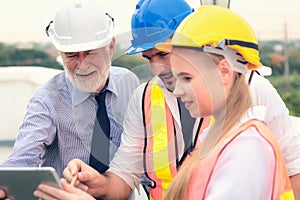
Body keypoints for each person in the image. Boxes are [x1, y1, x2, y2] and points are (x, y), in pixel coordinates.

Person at [33, 1, 300, 200]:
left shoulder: (249, 123)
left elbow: (293, 169)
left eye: (164, 54)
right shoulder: (145, 99)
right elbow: (124, 174)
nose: (159, 68)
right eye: (150, 58)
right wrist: (98, 184)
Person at [0, 0, 139, 199]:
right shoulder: (47, 99)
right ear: (60, 54)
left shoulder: (128, 83)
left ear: (110, 47)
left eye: (90, 53)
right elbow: (21, 161)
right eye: (72, 55)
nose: (82, 65)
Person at [155, 5, 294, 199]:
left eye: (186, 78)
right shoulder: (221, 137)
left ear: (224, 71)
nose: (177, 91)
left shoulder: (246, 149)